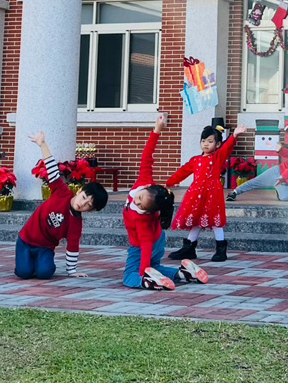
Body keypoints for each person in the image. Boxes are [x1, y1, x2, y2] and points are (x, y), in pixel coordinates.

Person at [123, 114, 209, 290]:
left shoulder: (143, 219)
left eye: (141, 205)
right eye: (140, 198)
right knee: (156, 267)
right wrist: (157, 130)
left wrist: (144, 271)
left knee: (129, 276)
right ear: (147, 187)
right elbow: (147, 157)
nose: (137, 202)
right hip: (158, 238)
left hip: (144, 243)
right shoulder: (144, 181)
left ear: (150, 211)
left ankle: (148, 280)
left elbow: (146, 245)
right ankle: (184, 273)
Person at [15, 132, 108, 280]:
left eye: (88, 205)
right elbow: (52, 169)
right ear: (79, 190)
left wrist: (72, 271)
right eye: (84, 198)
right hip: (26, 240)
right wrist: (43, 144)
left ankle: (40, 263)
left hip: (45, 247)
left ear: (90, 210)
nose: (82, 204)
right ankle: (28, 263)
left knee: (45, 273)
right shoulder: (62, 192)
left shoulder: (76, 224)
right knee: (24, 273)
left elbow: (73, 246)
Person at [167, 122, 247, 262]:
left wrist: (234, 136)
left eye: (210, 141)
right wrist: (169, 182)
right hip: (196, 194)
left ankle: (221, 249)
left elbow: (227, 148)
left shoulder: (217, 157)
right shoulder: (195, 160)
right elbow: (183, 172)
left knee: (215, 219)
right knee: (197, 220)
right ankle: (189, 248)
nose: (205, 144)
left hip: (212, 194)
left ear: (217, 144)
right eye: (203, 141)